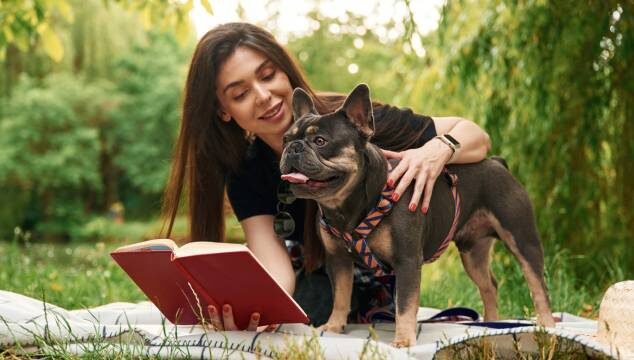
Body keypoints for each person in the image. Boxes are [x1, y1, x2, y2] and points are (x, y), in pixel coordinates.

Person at [161, 22, 491, 331]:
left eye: (268, 75)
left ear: (285, 71)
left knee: (321, 303)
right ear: (223, 111)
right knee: (307, 306)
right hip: (323, 270)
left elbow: (476, 136)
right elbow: (274, 265)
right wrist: (252, 309)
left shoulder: (350, 123)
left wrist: (435, 151)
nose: (263, 96)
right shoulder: (246, 170)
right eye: (240, 94)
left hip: (383, 273)